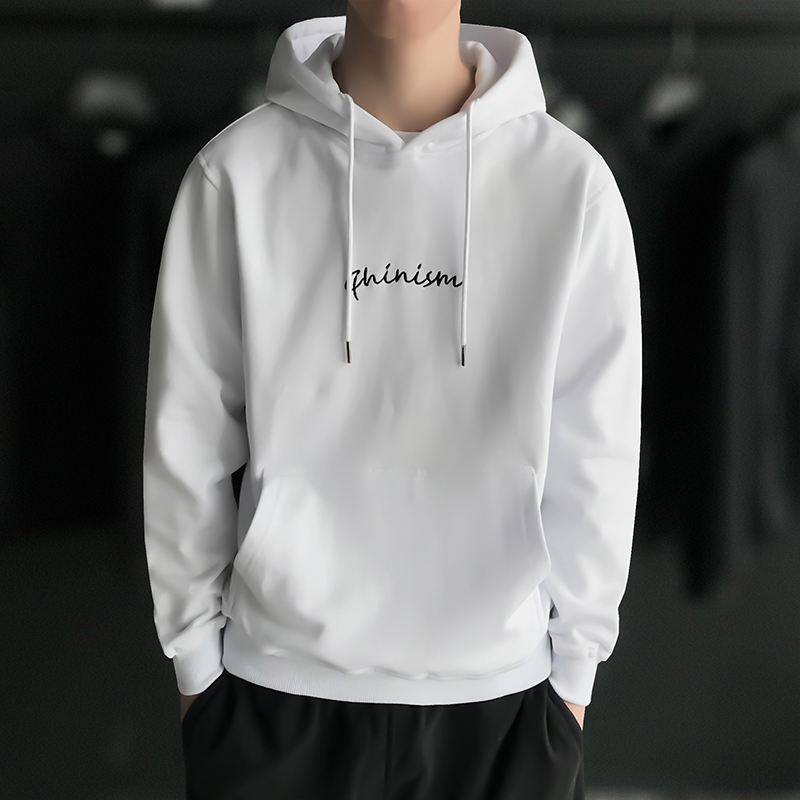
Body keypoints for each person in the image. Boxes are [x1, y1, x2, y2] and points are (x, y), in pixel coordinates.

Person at [143, 5, 642, 799]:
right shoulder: (237, 172)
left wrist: (575, 677)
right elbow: (186, 438)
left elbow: (598, 454)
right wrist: (196, 666)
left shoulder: (569, 183)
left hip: (505, 707)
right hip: (272, 698)